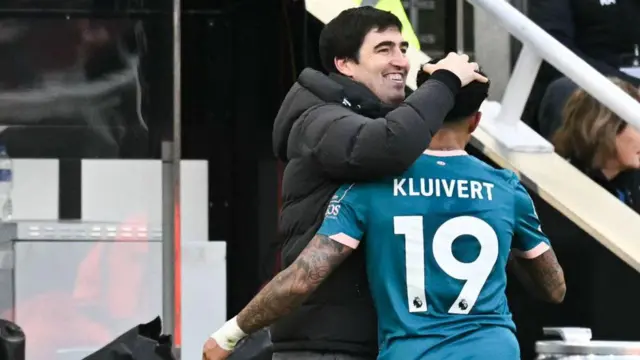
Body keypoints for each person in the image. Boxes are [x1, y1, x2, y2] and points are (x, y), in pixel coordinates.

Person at [203, 66, 565, 360]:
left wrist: (230, 334)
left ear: (419, 107)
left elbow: (301, 278)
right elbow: (554, 288)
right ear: (476, 121)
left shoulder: (372, 185)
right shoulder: (506, 188)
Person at [254, 6, 484, 360]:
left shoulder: (377, 118)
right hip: (326, 346)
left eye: (403, 48)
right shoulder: (318, 118)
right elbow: (386, 146)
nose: (401, 61)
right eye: (384, 49)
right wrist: (445, 81)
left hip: (376, 342)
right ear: (344, 63)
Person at [523, 0, 640, 131]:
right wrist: (630, 85)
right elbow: (554, 49)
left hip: (630, 83)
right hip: (591, 85)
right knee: (565, 89)